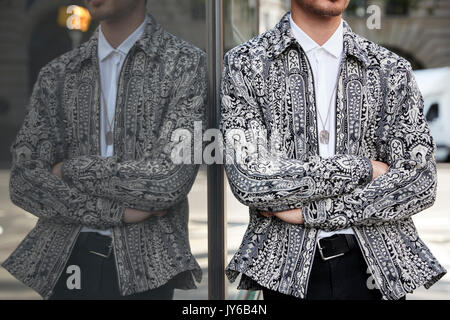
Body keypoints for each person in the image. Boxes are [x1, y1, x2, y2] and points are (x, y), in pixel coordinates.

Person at [221, 0, 446, 300]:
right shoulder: (246, 64)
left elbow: (420, 183)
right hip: (286, 272)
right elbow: (251, 179)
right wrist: (365, 169)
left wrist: (310, 211)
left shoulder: (390, 70)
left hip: (376, 269)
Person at [3, 0, 206, 299]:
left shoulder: (185, 64)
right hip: (65, 258)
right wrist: (118, 210)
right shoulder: (57, 74)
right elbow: (23, 181)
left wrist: (67, 170)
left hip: (148, 266)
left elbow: (168, 181)